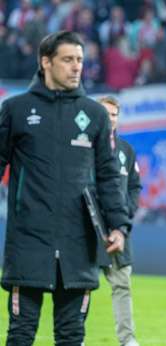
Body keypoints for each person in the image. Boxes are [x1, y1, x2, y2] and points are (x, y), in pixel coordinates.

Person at [0, 30, 129, 345]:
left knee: (72, 336)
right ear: (46, 62)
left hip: (78, 244)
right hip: (28, 240)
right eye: (68, 59)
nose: (76, 67)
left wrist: (118, 226)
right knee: (20, 334)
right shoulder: (16, 110)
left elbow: (109, 175)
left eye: (80, 60)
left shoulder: (95, 115)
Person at [99, 96, 142, 346]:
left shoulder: (126, 150)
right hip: (87, 227)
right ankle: (74, 336)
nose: (110, 118)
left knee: (122, 284)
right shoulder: (84, 146)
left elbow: (135, 187)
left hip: (119, 230)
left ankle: (127, 341)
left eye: (114, 114)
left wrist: (125, 216)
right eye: (105, 113)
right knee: (79, 284)